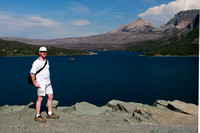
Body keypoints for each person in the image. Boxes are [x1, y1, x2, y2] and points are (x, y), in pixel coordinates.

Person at [30, 46, 59, 123]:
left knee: (50, 96)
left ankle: (49, 113)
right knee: (40, 98)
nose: (44, 53)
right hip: (41, 83)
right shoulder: (36, 62)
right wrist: (35, 83)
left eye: (45, 52)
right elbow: (32, 73)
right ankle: (37, 116)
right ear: (39, 53)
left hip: (48, 83)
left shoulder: (46, 61)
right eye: (42, 52)